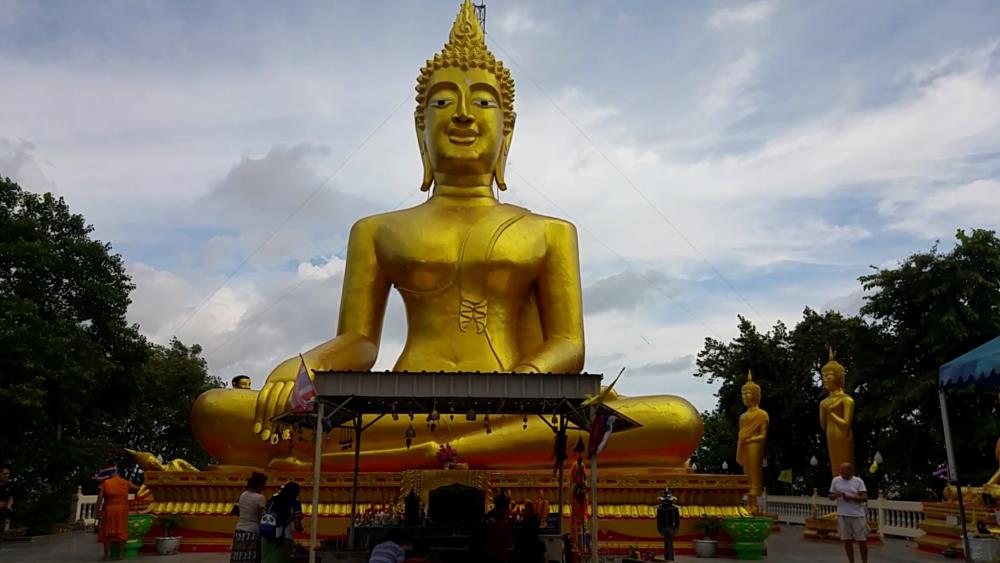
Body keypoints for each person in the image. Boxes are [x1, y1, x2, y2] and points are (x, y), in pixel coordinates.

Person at [95, 466, 140, 561]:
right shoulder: (125, 482)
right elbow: (137, 488)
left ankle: (106, 556)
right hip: (122, 509)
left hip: (109, 509)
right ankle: (121, 555)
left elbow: (100, 498)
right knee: (121, 531)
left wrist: (97, 510)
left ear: (111, 475)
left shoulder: (106, 483)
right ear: (118, 475)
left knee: (107, 533)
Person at [828, 462, 869, 563]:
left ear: (850, 471)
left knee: (862, 540)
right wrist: (837, 495)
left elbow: (865, 498)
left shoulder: (858, 481)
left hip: (857, 514)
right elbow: (830, 496)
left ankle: (864, 561)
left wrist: (851, 498)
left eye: (844, 471)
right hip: (842, 514)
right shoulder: (836, 480)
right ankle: (851, 561)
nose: (841, 473)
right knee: (847, 540)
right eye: (840, 471)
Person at [260, 482, 304, 563]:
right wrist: (301, 528)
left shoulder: (273, 500)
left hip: (266, 536)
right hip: (283, 538)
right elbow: (297, 526)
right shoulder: (295, 504)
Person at [231, 472, 268, 562]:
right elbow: (264, 516)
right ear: (260, 485)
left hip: (239, 530)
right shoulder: (260, 498)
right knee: (251, 559)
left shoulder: (243, 495)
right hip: (252, 532)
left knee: (239, 559)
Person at [0, 465, 13, 552]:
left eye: (8, 474)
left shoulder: (7, 486)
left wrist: (9, 504)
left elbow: (11, 498)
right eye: (4, 473)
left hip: (2, 517)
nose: (7, 475)